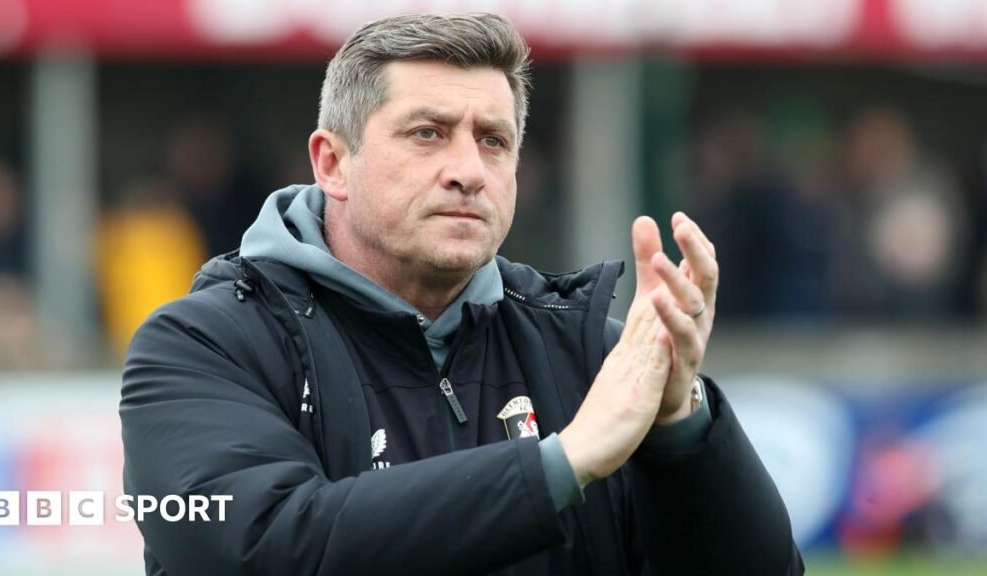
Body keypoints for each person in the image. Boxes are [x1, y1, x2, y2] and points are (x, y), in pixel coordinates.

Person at [120, 13, 803, 576]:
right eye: (428, 134)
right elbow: (259, 550)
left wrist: (683, 427)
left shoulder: (588, 347)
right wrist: (559, 466)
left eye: (493, 140)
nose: (468, 172)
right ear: (334, 163)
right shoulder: (202, 345)